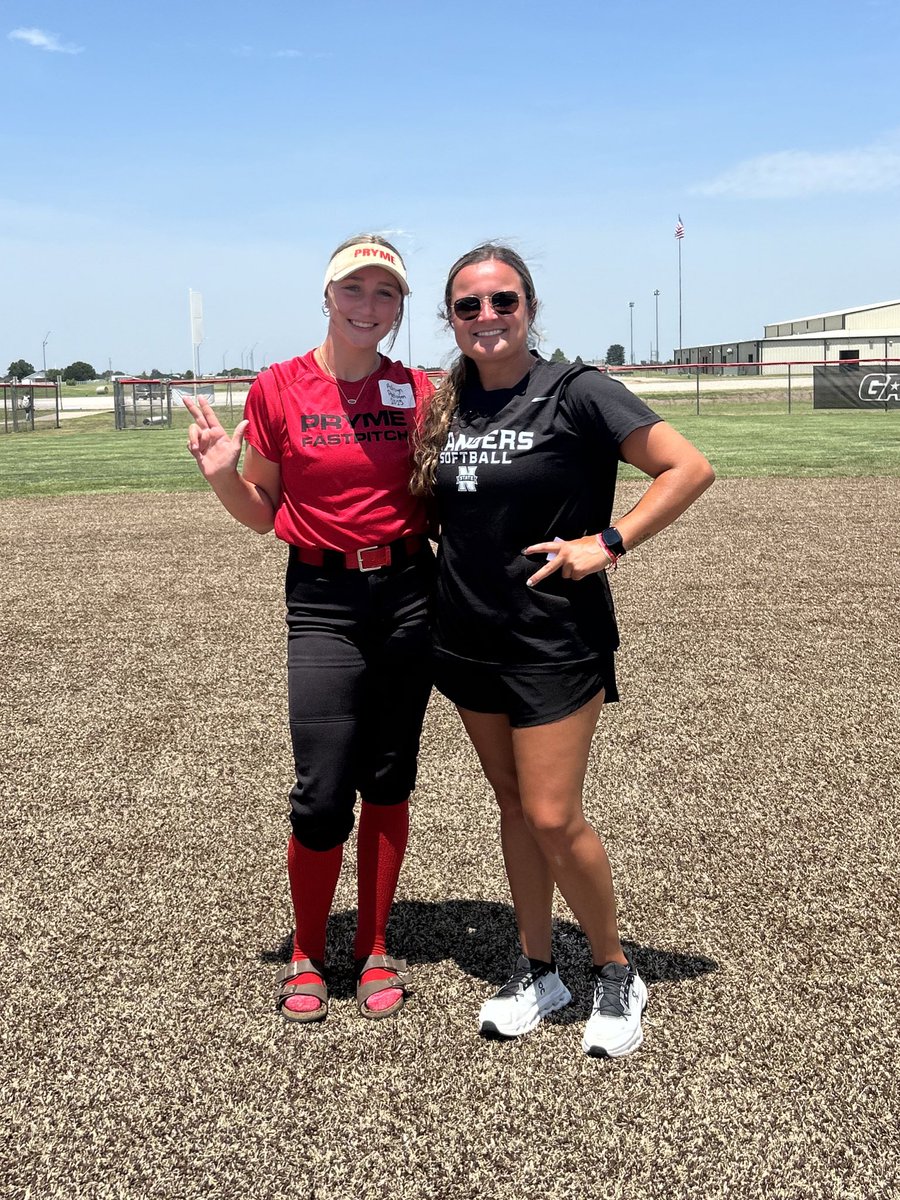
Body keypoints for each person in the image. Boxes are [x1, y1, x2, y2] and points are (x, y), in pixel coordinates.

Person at [411, 243, 714, 1057]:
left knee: (553, 813)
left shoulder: (576, 391)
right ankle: (537, 966)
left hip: (554, 639)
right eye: (468, 306)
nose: (486, 317)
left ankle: (616, 968)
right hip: (466, 637)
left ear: (529, 307)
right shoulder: (446, 404)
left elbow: (688, 467)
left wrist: (608, 542)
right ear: (451, 319)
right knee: (513, 810)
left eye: (502, 301)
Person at [184, 234, 435, 1022]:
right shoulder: (280, 387)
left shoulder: (419, 391)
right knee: (322, 791)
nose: (368, 306)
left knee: (390, 776)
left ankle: (373, 947)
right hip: (323, 598)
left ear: (399, 308)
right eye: (353, 289)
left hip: (407, 591)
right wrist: (225, 473)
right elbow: (262, 515)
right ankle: (305, 949)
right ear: (326, 296)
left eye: (384, 293)